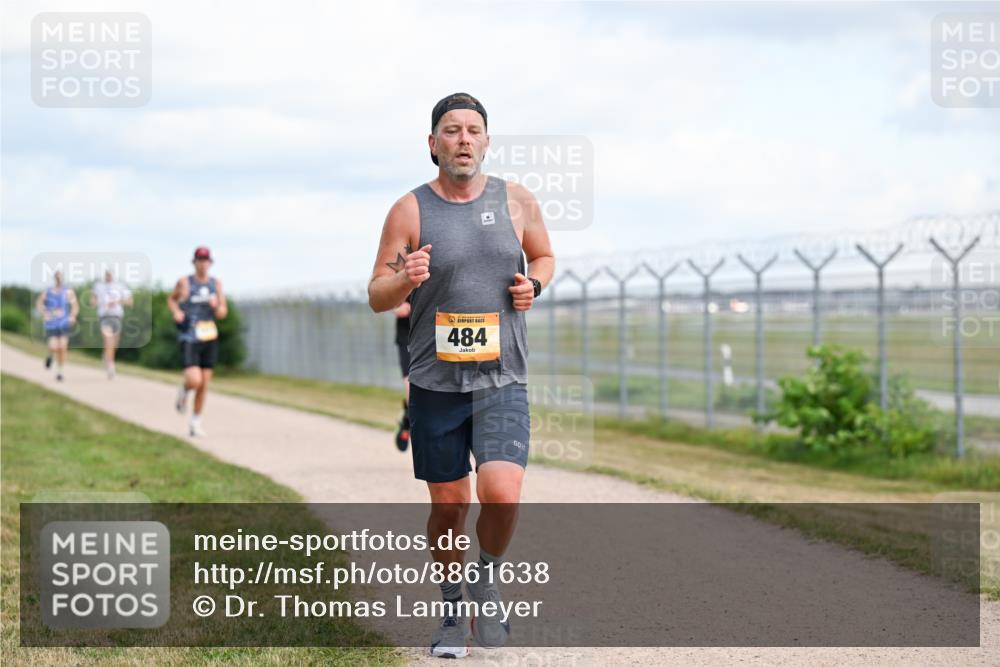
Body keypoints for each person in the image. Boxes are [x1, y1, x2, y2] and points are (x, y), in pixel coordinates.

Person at [368, 93, 554, 658]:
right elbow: (377, 293)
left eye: (474, 130)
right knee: (450, 507)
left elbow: (543, 257)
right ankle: (452, 608)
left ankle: (486, 579)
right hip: (436, 385)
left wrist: (534, 286)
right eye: (451, 130)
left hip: (502, 379)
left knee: (501, 497)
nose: (464, 139)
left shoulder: (517, 200)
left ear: (487, 142)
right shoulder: (409, 211)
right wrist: (406, 279)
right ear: (433, 144)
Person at [167, 246, 227, 437]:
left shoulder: (216, 284)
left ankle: (195, 423)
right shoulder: (184, 282)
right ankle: (185, 390)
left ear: (210, 263)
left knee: (204, 384)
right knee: (194, 380)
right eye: (199, 260)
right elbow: (171, 300)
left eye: (206, 260)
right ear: (194, 262)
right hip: (190, 336)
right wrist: (176, 311)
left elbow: (222, 312)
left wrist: (216, 306)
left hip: (209, 336)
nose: (203, 264)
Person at [35, 271, 79, 382]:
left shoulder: (68, 291)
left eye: (61, 277)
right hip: (52, 324)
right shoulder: (48, 291)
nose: (59, 279)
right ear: (55, 278)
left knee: (62, 347)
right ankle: (50, 355)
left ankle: (60, 372)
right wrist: (44, 313)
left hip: (64, 323)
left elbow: (75, 306)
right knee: (54, 347)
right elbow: (39, 304)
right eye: (57, 277)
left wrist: (72, 316)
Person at [90, 269, 133, 379]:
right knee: (108, 340)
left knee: (114, 344)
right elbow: (92, 300)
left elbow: (130, 301)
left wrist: (117, 302)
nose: (108, 276)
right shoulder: (98, 286)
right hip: (104, 316)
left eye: (110, 275)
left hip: (117, 317)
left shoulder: (120, 286)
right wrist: (96, 302)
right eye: (107, 275)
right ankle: (111, 366)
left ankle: (106, 356)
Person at [394, 294, 412, 451]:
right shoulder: (399, 268)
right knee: (410, 383)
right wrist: (395, 306)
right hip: (407, 334)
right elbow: (381, 289)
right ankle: (409, 419)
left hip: (435, 332)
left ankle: (408, 417)